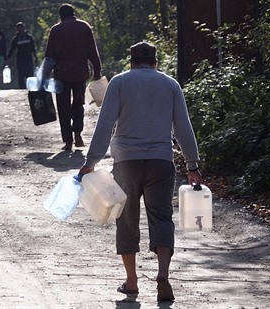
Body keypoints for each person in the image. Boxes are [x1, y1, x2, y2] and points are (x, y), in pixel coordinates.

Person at [78, 41, 202, 302]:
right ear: (155, 62)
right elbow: (183, 127)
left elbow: (105, 124)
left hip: (126, 161)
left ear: (131, 62)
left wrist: (92, 160)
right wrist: (192, 164)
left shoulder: (120, 82)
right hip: (160, 160)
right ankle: (163, 275)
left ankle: (132, 281)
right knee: (162, 218)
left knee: (127, 219)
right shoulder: (170, 85)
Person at [44, 3, 102, 151]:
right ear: (73, 13)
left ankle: (68, 142)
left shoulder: (56, 30)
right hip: (80, 73)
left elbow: (49, 56)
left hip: (61, 74)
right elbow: (93, 52)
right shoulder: (84, 27)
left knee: (63, 107)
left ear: (61, 16)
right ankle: (77, 134)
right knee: (78, 104)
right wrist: (97, 72)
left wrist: (43, 76)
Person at [7, 22, 37, 89]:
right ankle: (22, 89)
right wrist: (8, 58)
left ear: (24, 28)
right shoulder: (16, 39)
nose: (20, 30)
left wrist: (35, 58)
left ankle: (31, 88)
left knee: (30, 74)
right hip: (20, 59)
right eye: (19, 28)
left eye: (21, 28)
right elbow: (12, 49)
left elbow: (33, 48)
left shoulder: (29, 37)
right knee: (21, 75)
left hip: (28, 59)